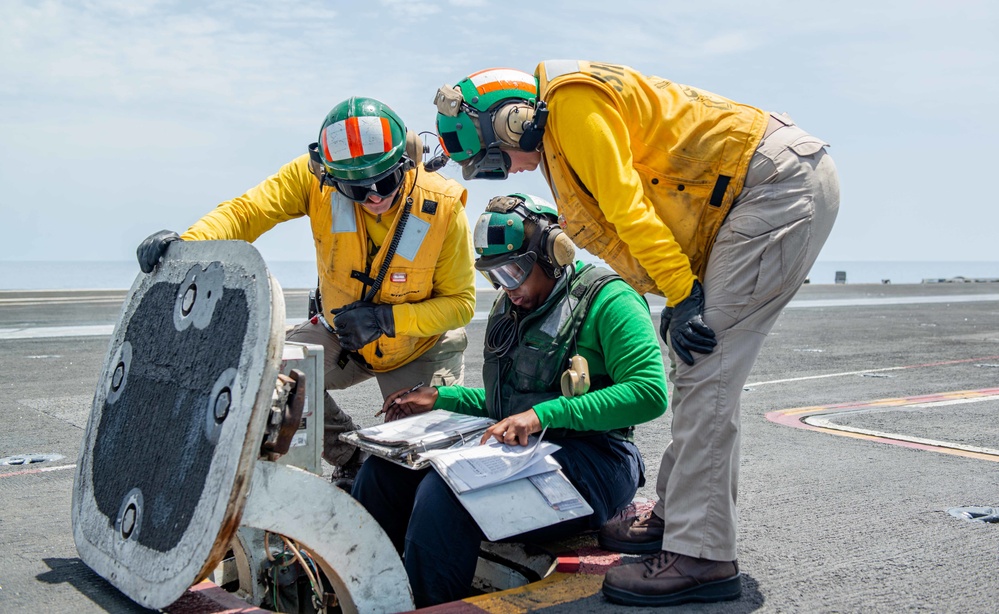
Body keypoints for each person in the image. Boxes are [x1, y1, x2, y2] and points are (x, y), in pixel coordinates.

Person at [433, 63, 839, 606]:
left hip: (772, 188)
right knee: (696, 366)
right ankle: (679, 519)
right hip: (755, 192)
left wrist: (680, 290)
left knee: (707, 372)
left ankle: (703, 555)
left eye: (495, 161)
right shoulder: (563, 128)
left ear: (513, 122)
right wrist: (680, 291)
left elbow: (628, 207)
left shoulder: (572, 108)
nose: (507, 173)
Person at [136, 96, 476, 488]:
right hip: (343, 333)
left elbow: (461, 305)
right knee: (270, 373)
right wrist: (190, 245)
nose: (375, 198)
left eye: (385, 183)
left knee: (421, 468)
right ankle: (350, 455)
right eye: (357, 190)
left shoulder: (443, 208)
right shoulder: (312, 180)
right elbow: (248, 212)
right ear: (331, 178)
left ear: (405, 164)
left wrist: (386, 320)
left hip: (420, 343)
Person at [350, 193, 668, 607]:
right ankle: (371, 597)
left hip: (596, 459)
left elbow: (649, 393)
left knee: (445, 496)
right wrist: (441, 397)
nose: (507, 287)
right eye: (495, 276)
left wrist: (541, 416)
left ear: (555, 252)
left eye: (515, 270)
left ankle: (427, 605)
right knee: (381, 474)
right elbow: (511, 403)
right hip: (529, 452)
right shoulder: (514, 306)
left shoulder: (609, 300)